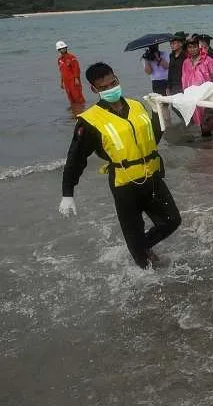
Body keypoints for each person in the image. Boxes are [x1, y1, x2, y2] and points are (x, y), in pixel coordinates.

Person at [59, 62, 180, 269]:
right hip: (124, 185)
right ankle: (144, 267)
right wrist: (67, 192)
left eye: (112, 83)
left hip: (151, 177)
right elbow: (76, 158)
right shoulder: (90, 121)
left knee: (172, 221)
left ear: (117, 79)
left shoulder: (136, 105)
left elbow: (151, 139)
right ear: (94, 89)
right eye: (104, 87)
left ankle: (142, 247)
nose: (110, 88)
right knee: (136, 244)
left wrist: (156, 113)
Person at [182, 38, 213, 130]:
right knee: (200, 121)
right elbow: (184, 79)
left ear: (198, 47)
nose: (192, 49)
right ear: (187, 49)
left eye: (194, 47)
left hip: (207, 95)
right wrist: (186, 94)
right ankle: (206, 140)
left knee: (210, 119)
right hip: (193, 96)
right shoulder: (186, 63)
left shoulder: (207, 60)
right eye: (190, 47)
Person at [56, 41, 86, 107]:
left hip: (73, 80)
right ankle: (74, 110)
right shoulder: (59, 60)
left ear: (66, 48)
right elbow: (62, 72)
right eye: (61, 49)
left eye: (64, 48)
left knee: (77, 96)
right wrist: (61, 82)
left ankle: (82, 109)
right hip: (66, 82)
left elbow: (76, 69)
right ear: (58, 50)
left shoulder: (72, 58)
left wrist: (76, 79)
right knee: (70, 96)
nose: (63, 49)